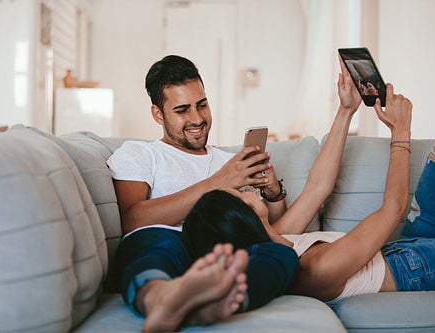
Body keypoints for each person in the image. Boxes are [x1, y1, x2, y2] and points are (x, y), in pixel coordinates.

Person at [183, 54, 435, 305]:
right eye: (240, 197)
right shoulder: (317, 268)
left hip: (404, 246)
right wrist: (400, 129)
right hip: (414, 268)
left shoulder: (278, 235)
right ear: (241, 220)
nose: (246, 192)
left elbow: (319, 187)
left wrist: (346, 109)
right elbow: (392, 209)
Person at [107, 55, 300, 332]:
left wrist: (273, 194)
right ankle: (161, 299)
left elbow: (270, 227)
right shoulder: (140, 153)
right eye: (182, 110)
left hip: (225, 248)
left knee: (282, 256)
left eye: (202, 105)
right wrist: (220, 181)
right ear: (158, 114)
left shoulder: (230, 162)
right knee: (158, 244)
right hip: (168, 240)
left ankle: (215, 304)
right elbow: (132, 219)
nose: (197, 118)